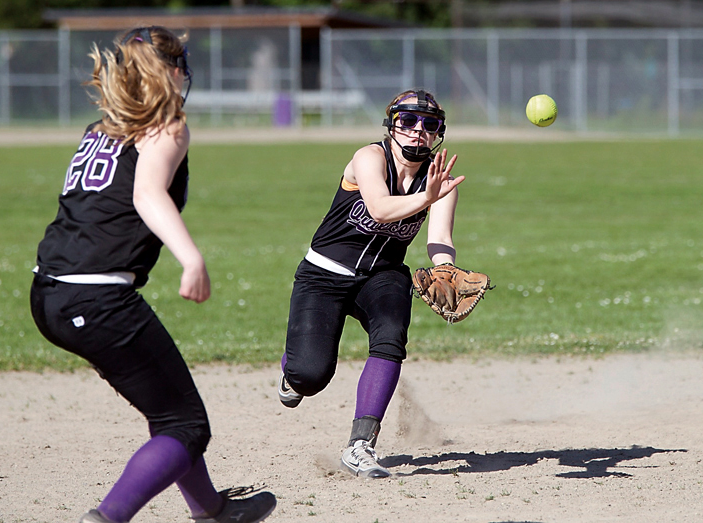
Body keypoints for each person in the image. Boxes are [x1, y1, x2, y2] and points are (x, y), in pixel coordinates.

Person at [29, 26, 276, 523]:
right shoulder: (167, 125)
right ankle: (109, 518)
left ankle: (211, 510)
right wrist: (191, 257)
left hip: (48, 292)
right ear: (174, 71)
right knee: (186, 425)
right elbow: (146, 194)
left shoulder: (103, 126)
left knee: (169, 413)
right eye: (180, 63)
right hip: (96, 300)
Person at [277, 89, 464, 479]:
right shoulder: (369, 157)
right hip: (324, 273)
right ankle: (293, 370)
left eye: (429, 124)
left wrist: (445, 267)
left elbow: (439, 236)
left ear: (438, 133)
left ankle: (360, 445)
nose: (418, 131)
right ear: (392, 124)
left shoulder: (438, 178)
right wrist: (426, 197)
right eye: (408, 121)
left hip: (382, 275)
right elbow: (379, 208)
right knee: (310, 375)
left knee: (391, 334)